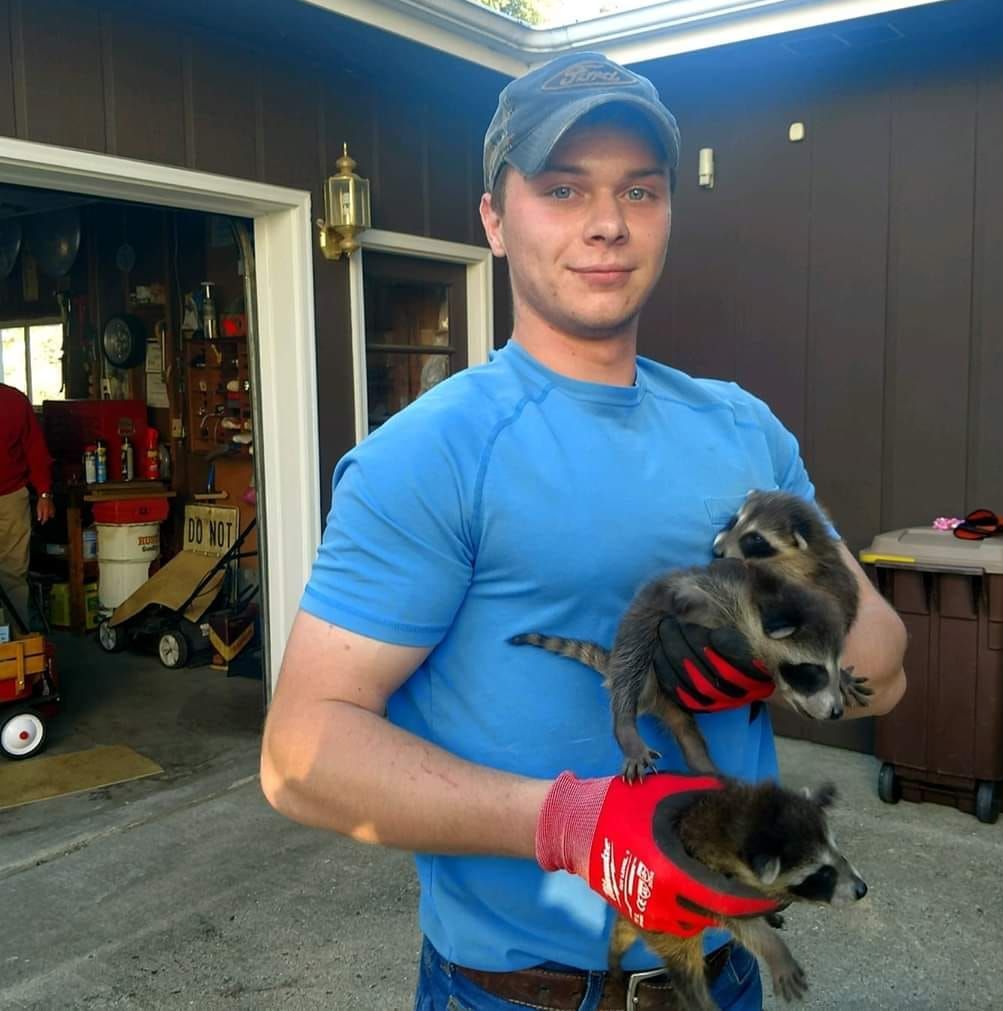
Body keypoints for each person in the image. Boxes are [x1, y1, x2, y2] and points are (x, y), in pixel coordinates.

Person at [261, 52, 907, 1010]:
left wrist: (765, 651)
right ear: (495, 216)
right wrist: (574, 821)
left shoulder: (744, 430)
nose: (607, 222)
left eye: (639, 191)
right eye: (563, 189)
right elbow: (301, 757)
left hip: (720, 976)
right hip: (520, 992)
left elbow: (882, 667)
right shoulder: (432, 454)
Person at [0, 382, 54, 631]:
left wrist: (44, 492)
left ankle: (17, 640)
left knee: (12, 574)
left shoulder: (15, 401)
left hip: (11, 496)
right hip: (12, 496)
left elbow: (35, 449)